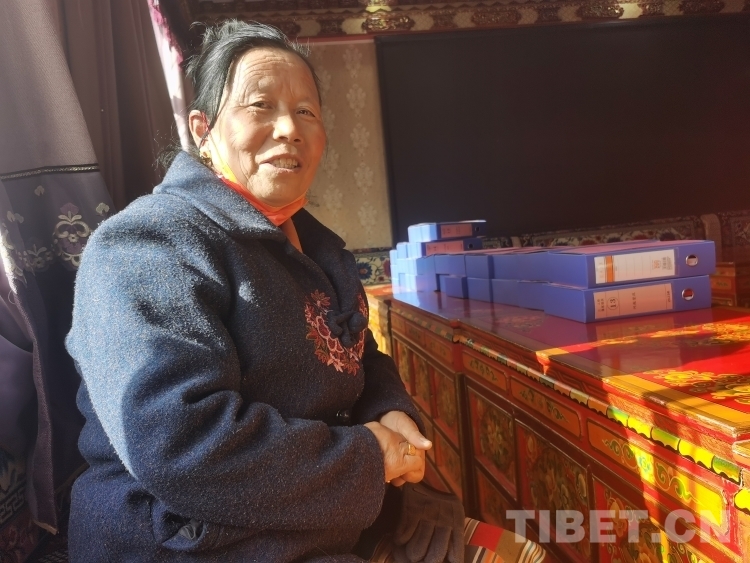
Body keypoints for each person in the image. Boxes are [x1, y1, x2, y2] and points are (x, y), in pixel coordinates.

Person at [66, 20, 546, 563]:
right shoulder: (148, 243)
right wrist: (368, 458)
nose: (288, 128)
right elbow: (181, 443)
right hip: (194, 540)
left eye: (306, 112)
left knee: (521, 553)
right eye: (260, 106)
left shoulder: (318, 248)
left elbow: (360, 354)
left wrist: (392, 412)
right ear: (203, 129)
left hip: (318, 518)